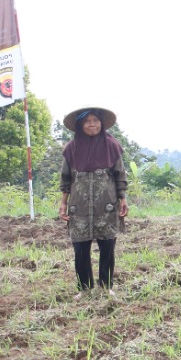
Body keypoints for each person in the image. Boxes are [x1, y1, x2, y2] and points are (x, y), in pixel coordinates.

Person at [59, 107, 129, 298]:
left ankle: (106, 287)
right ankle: (85, 289)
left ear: (102, 123)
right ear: (80, 125)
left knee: (107, 246)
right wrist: (63, 203)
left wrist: (123, 199)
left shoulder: (112, 146)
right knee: (80, 248)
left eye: (95, 121)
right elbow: (66, 179)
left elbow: (120, 175)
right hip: (79, 205)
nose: (92, 124)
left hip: (106, 204)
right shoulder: (71, 149)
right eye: (87, 121)